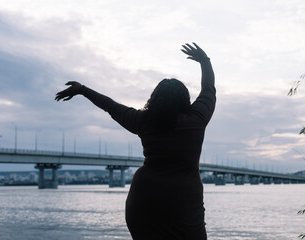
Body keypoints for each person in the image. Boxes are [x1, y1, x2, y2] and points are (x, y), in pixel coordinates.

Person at [55, 43, 216, 240]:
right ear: (185, 99)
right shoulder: (197, 118)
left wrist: (82, 90)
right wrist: (204, 61)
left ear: (154, 99)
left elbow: (110, 106)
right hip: (184, 199)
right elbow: (208, 88)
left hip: (144, 198)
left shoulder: (144, 121)